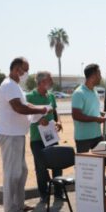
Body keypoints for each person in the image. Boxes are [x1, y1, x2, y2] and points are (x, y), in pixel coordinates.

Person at [0, 57, 51, 212]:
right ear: (17, 69)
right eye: (25, 70)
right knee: (12, 172)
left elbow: (28, 105)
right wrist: (40, 111)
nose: (26, 73)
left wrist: (42, 108)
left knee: (21, 171)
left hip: (16, 134)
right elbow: (19, 108)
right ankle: (11, 209)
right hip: (9, 134)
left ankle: (18, 204)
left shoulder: (15, 86)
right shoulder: (8, 85)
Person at [27, 71, 63, 201]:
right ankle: (44, 194)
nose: (52, 81)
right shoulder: (29, 96)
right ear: (42, 82)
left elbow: (55, 111)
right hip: (37, 139)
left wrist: (59, 121)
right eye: (50, 79)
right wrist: (38, 120)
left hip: (52, 137)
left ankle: (59, 193)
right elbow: (25, 114)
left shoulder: (51, 96)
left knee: (57, 165)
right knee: (41, 168)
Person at [71, 64, 106, 153]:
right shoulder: (79, 93)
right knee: (83, 165)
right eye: (99, 74)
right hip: (83, 138)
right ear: (93, 76)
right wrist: (96, 119)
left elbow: (93, 111)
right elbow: (76, 115)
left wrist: (103, 115)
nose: (101, 77)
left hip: (97, 136)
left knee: (101, 162)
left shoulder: (94, 91)